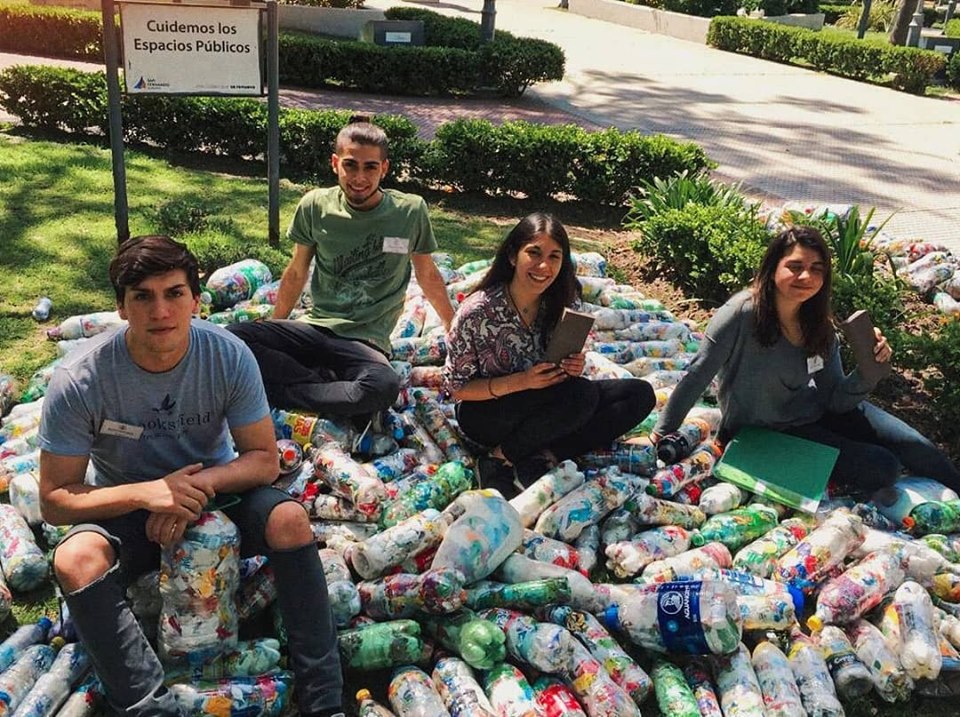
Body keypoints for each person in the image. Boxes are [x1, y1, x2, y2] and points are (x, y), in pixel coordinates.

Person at [38, 236, 345, 717]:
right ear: (120, 306)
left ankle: (324, 700)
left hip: (217, 491)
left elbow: (263, 459)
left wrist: (193, 491)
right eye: (142, 296)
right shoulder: (81, 378)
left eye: (174, 293)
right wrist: (149, 494)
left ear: (196, 300)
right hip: (127, 504)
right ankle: (147, 706)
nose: (160, 310)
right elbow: (55, 499)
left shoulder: (227, 355)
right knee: (75, 559)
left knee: (289, 519)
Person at [652, 225, 960, 498]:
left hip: (817, 411)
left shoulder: (817, 323)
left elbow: (836, 399)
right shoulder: (741, 314)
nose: (806, 277)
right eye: (795, 266)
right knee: (883, 467)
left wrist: (869, 368)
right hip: (767, 432)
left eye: (816, 268)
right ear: (773, 267)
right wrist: (660, 433)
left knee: (915, 445)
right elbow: (697, 375)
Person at [228, 118, 454, 426]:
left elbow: (426, 273)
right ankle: (328, 390)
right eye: (350, 165)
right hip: (315, 328)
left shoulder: (409, 212)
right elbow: (296, 271)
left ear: (384, 169)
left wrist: (451, 323)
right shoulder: (315, 205)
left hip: (365, 342)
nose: (359, 178)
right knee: (235, 338)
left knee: (383, 387)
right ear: (335, 164)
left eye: (370, 167)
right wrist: (276, 325)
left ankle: (288, 390)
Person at [442, 212, 656, 497]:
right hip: (488, 412)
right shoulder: (477, 312)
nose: (544, 266)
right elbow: (457, 389)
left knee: (638, 394)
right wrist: (523, 381)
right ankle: (498, 459)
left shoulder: (561, 302)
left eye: (554, 256)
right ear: (512, 256)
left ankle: (544, 455)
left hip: (550, 401)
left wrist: (573, 366)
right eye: (534, 253)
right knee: (581, 396)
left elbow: (563, 371)